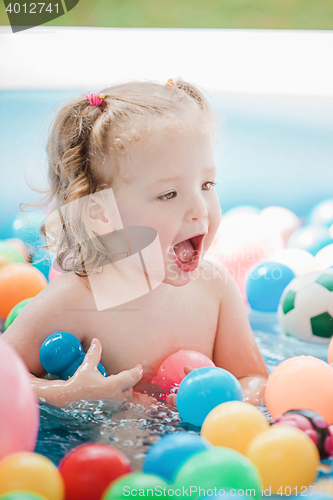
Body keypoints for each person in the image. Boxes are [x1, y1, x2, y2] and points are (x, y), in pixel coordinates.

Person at [2, 79, 269, 408]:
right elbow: (4, 373)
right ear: (101, 214)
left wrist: (224, 401)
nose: (200, 209)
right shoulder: (75, 299)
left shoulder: (215, 290)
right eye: (168, 194)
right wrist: (62, 394)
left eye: (206, 183)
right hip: (111, 448)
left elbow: (254, 378)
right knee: (126, 429)